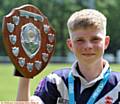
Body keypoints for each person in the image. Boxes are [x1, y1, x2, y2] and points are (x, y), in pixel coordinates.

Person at [16, 9, 120, 104]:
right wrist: (25, 74)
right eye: (80, 40)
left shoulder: (118, 85)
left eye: (95, 39)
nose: (88, 46)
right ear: (70, 45)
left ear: (106, 42)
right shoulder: (55, 81)